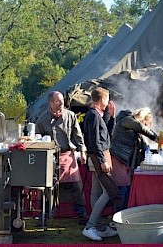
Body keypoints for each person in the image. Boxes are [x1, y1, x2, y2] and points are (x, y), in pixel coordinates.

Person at [35, 91, 88, 223]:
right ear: (50, 103)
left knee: (76, 186)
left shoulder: (70, 116)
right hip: (50, 158)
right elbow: (36, 139)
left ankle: (81, 214)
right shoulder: (42, 120)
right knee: (47, 187)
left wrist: (82, 151)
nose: (61, 103)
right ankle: (45, 215)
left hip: (67, 154)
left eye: (62, 101)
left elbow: (77, 135)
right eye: (58, 101)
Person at [82, 87, 122, 241]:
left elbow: (106, 135)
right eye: (107, 98)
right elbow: (94, 141)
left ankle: (100, 227)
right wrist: (102, 160)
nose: (108, 101)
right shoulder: (92, 115)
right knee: (108, 191)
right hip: (98, 157)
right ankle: (90, 226)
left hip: (100, 155)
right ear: (101, 99)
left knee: (96, 192)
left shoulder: (97, 115)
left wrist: (111, 117)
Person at [110, 107, 158, 209]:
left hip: (123, 159)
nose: (147, 126)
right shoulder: (126, 119)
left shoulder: (132, 128)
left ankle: (124, 214)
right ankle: (118, 218)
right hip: (118, 157)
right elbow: (140, 127)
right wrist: (156, 138)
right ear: (142, 119)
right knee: (122, 189)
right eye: (147, 123)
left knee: (126, 188)